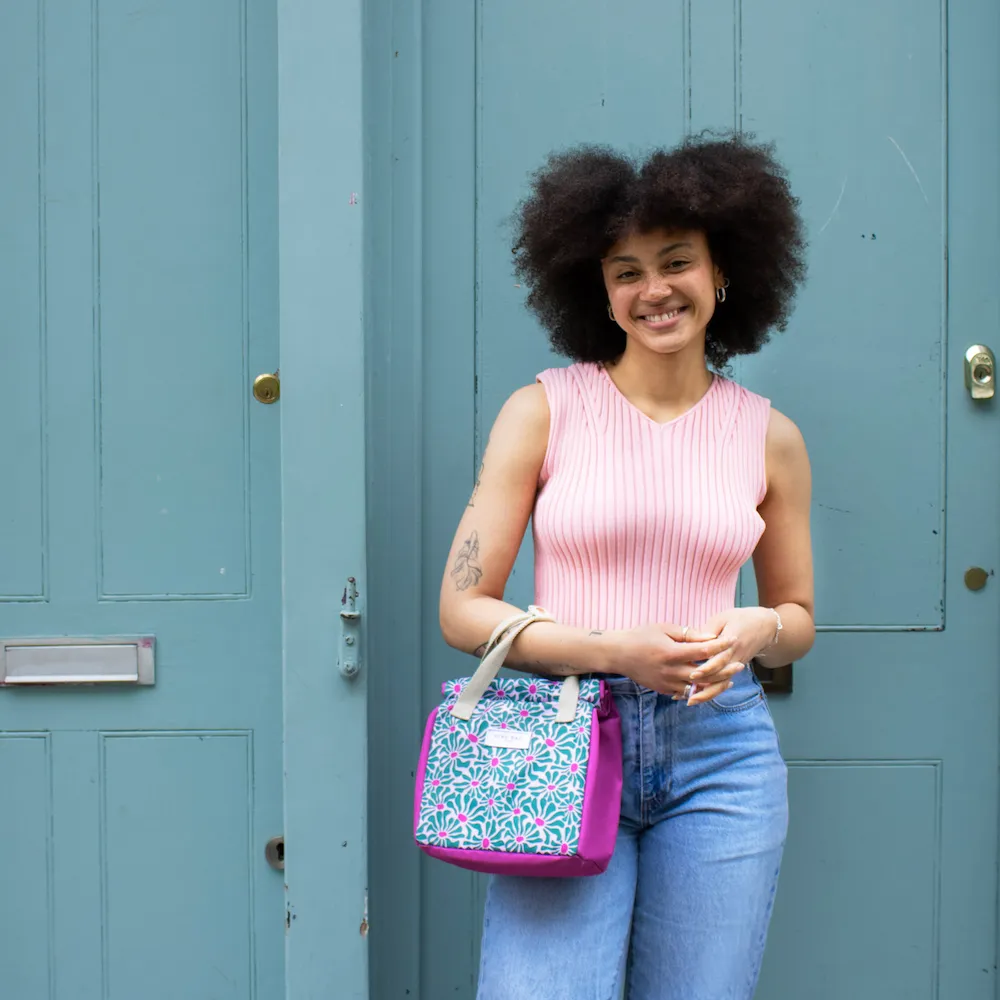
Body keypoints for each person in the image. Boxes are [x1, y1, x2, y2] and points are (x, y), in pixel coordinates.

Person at [438, 134, 815, 1000]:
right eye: (625, 271)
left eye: (677, 262)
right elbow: (462, 610)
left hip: (722, 757)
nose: (655, 290)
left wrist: (760, 627)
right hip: (563, 737)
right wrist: (615, 651)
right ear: (599, 293)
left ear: (723, 274)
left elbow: (796, 619)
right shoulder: (542, 412)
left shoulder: (770, 436)